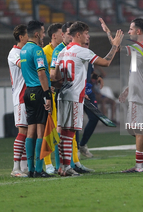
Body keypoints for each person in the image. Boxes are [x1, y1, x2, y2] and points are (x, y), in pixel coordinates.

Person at [52, 21, 124, 176]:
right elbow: (106, 62)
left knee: (64, 132)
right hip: (74, 96)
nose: (88, 36)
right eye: (86, 33)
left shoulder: (63, 51)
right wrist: (115, 45)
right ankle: (65, 168)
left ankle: (62, 167)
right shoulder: (82, 51)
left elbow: (55, 75)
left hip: (63, 95)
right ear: (78, 35)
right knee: (70, 133)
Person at [101, 17, 143, 173]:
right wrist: (129, 88)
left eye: (130, 29)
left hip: (141, 95)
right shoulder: (140, 47)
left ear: (138, 31)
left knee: (136, 129)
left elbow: (117, 47)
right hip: (138, 93)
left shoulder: (142, 48)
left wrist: (110, 34)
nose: (128, 31)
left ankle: (139, 166)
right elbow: (139, 68)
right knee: (133, 128)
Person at [20, 20, 53, 178]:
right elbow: (41, 73)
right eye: (43, 32)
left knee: (30, 131)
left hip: (28, 92)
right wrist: (47, 95)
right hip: (39, 91)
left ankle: (31, 169)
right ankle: (39, 170)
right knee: (41, 132)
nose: (44, 35)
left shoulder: (23, 50)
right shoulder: (37, 50)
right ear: (36, 34)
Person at [7, 24, 29, 177]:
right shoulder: (14, 53)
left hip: (28, 97)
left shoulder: (24, 51)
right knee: (22, 131)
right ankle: (15, 168)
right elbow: (24, 66)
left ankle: (24, 166)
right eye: (28, 35)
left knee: (27, 132)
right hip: (21, 97)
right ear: (21, 37)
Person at [42, 23, 63, 174]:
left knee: (61, 130)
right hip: (49, 96)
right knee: (49, 128)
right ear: (54, 35)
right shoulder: (45, 52)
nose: (64, 36)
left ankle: (63, 163)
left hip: (61, 95)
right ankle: (48, 164)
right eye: (62, 33)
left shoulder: (63, 50)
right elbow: (43, 74)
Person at [78, 39, 104, 158]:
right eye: (85, 38)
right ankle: (75, 148)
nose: (87, 39)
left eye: (88, 39)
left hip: (88, 91)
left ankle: (82, 145)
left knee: (94, 117)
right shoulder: (75, 54)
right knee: (75, 121)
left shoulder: (89, 55)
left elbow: (91, 72)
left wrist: (97, 77)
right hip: (77, 92)